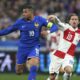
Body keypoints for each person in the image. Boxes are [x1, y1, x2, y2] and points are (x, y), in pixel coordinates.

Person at [0, 5, 58, 80]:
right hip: (22, 48)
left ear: (31, 12)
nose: (23, 14)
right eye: (23, 12)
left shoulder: (40, 20)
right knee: (18, 71)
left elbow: (54, 27)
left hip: (34, 47)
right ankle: (21, 67)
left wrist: (48, 31)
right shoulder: (20, 22)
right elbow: (7, 30)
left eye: (25, 12)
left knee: (34, 65)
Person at [47, 13, 80, 80]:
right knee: (52, 77)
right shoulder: (65, 27)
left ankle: (66, 76)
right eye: (72, 19)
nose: (74, 21)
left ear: (78, 22)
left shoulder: (79, 32)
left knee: (69, 70)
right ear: (69, 21)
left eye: (76, 19)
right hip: (58, 55)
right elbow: (58, 23)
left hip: (69, 56)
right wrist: (54, 17)